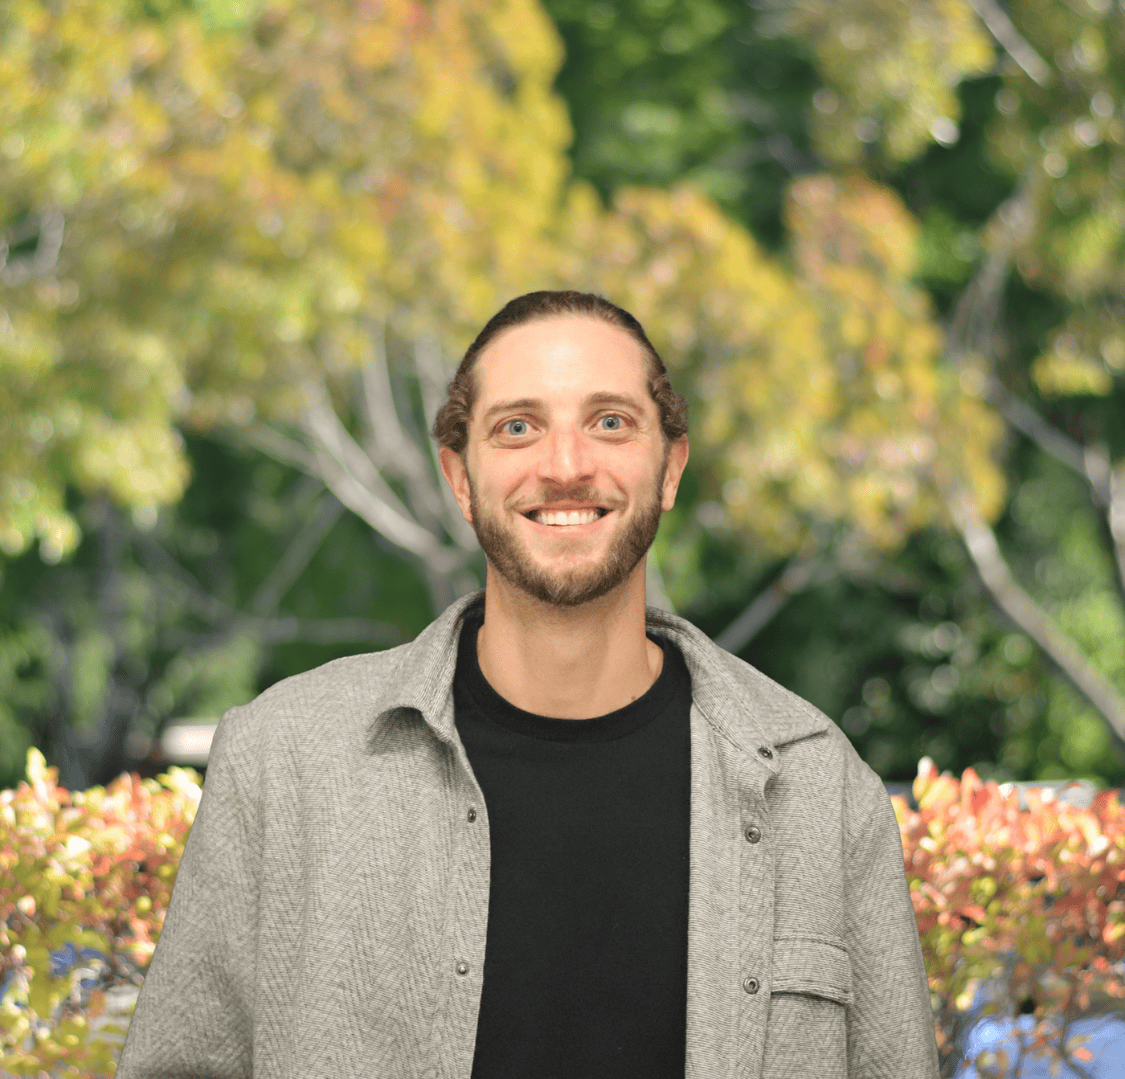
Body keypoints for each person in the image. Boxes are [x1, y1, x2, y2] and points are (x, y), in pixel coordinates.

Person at [116, 290, 940, 1078]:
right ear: (460, 476)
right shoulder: (284, 760)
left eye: (609, 422)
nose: (566, 465)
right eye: (517, 427)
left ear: (669, 467)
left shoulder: (819, 788)